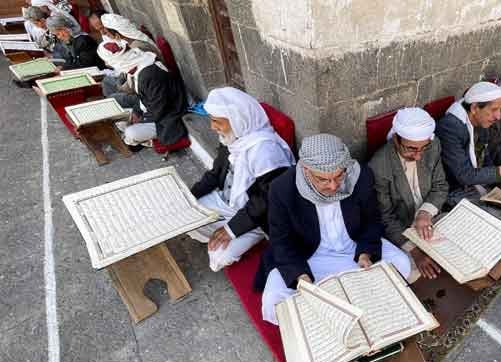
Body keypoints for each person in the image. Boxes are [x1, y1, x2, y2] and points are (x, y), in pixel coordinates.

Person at [257, 134, 411, 325]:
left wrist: (365, 253)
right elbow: (281, 241)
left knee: (402, 263)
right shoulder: (282, 188)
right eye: (323, 179)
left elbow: (372, 221)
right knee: (274, 301)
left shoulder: (360, 175)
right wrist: (301, 277)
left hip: (353, 250)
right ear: (306, 170)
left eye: (339, 176)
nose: (333, 186)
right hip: (311, 257)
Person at [188, 88, 295, 271]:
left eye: (216, 121)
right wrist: (188, 196)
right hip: (226, 202)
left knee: (220, 256)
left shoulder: (266, 152)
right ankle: (217, 231)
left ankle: (248, 236)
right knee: (186, 219)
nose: (212, 127)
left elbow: (266, 201)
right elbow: (214, 174)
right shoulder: (234, 137)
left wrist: (231, 230)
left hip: (257, 216)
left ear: (237, 120)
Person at [369, 108, 449, 281]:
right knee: (409, 272)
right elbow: (385, 217)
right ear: (396, 140)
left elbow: (440, 186)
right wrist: (414, 250)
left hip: (430, 218)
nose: (419, 156)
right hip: (403, 228)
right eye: (411, 149)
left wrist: (424, 213)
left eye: (423, 148)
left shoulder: (433, 146)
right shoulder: (379, 166)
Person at [436, 81, 501, 214]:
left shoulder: (481, 121)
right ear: (475, 108)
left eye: (500, 109)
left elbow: (485, 158)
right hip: (457, 190)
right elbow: (464, 176)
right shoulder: (451, 127)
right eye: (494, 110)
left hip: (478, 183)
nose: (499, 116)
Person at [97, 41, 188, 149]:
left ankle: (146, 141)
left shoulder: (149, 74)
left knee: (131, 132)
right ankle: (137, 136)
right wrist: (137, 111)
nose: (107, 64)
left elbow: (159, 108)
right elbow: (145, 98)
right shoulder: (140, 62)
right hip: (153, 106)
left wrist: (141, 119)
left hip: (169, 114)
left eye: (108, 61)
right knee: (118, 116)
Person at [99, 14, 162, 108]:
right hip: (136, 81)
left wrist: (120, 87)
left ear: (117, 35)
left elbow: (136, 79)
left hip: (145, 89)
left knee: (113, 98)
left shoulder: (137, 47)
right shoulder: (128, 43)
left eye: (108, 33)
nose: (106, 35)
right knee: (107, 81)